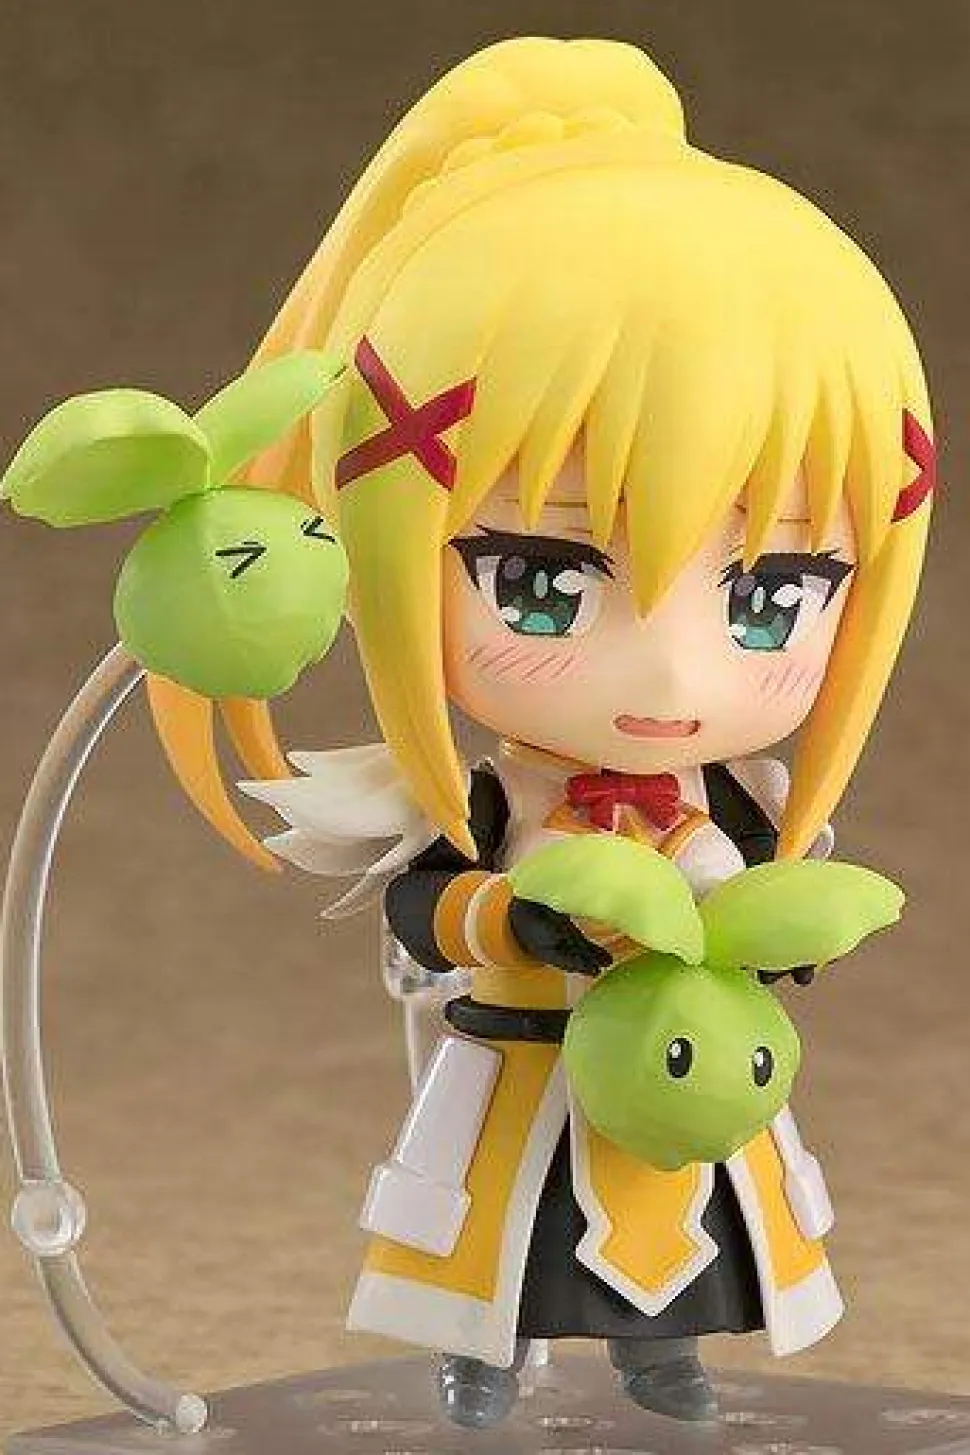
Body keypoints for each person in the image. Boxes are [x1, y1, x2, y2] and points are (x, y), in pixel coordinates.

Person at [147, 37, 935, 1429]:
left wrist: (775, 932)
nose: (671, 668)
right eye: (543, 582)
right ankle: (483, 1355)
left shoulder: (740, 798)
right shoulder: (492, 801)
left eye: (768, 597)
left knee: (692, 1229)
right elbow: (424, 904)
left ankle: (664, 1357)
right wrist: (521, 920)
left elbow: (769, 895)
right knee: (502, 1245)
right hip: (522, 1065)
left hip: (690, 1093)